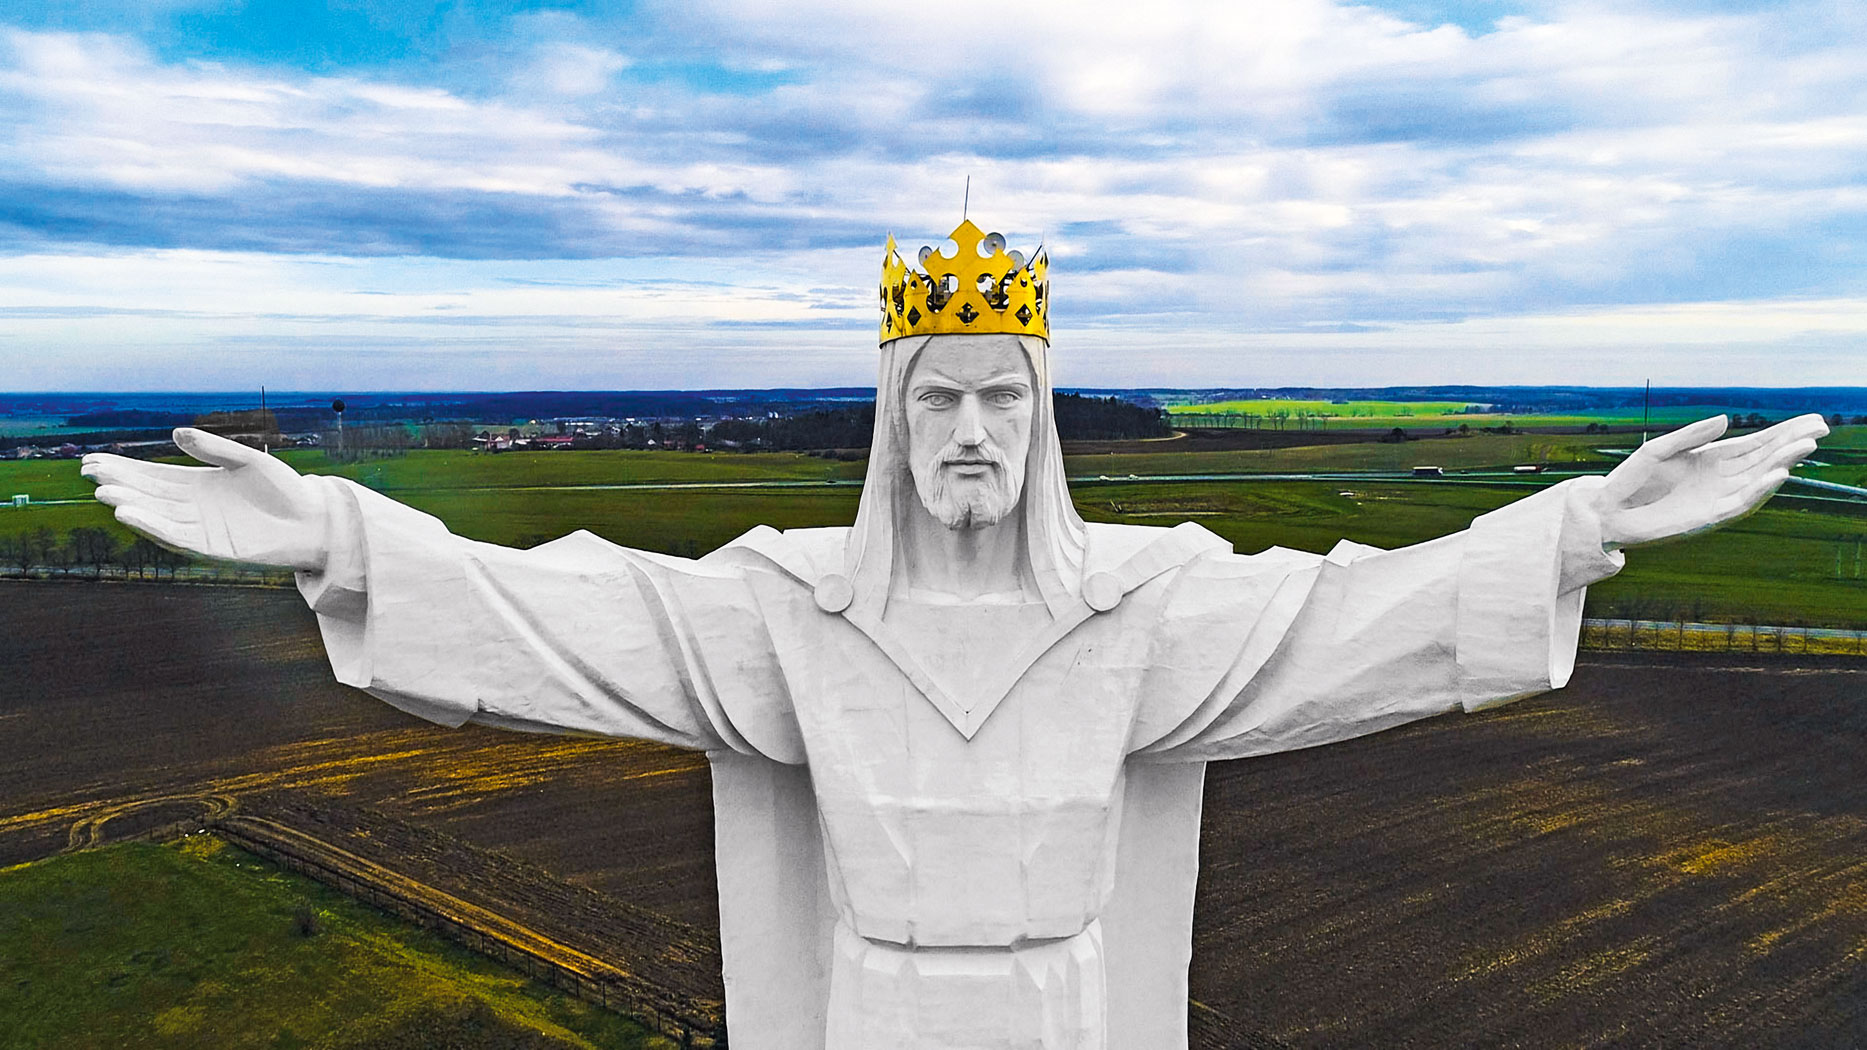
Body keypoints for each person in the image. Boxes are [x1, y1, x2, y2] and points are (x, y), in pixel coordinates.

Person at [82, 220, 1827, 1050]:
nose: (975, 428)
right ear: (896, 423)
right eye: (942, 397)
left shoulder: (1144, 602)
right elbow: (577, 612)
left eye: (1006, 395)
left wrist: (1577, 523)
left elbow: (1353, 614)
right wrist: (342, 535)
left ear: (1042, 419)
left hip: (1068, 1008)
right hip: (874, 1007)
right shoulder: (791, 608)